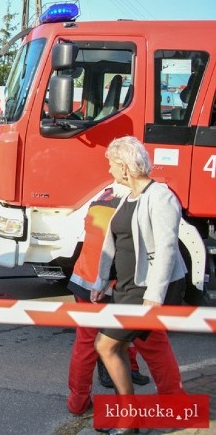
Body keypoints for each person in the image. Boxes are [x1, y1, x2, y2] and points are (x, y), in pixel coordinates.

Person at [91, 137, 187, 427]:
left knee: (106, 346)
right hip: (126, 287)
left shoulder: (161, 196)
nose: (109, 170)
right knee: (113, 347)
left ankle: (129, 418)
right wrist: (100, 281)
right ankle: (133, 413)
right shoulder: (127, 196)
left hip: (145, 289)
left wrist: (154, 296)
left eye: (111, 164)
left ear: (125, 167)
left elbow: (168, 245)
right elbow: (114, 244)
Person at [67, 186, 185, 416]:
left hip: (85, 279)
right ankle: (174, 404)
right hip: (114, 286)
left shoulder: (104, 193)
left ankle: (77, 403)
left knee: (86, 345)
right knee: (154, 345)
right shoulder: (138, 200)